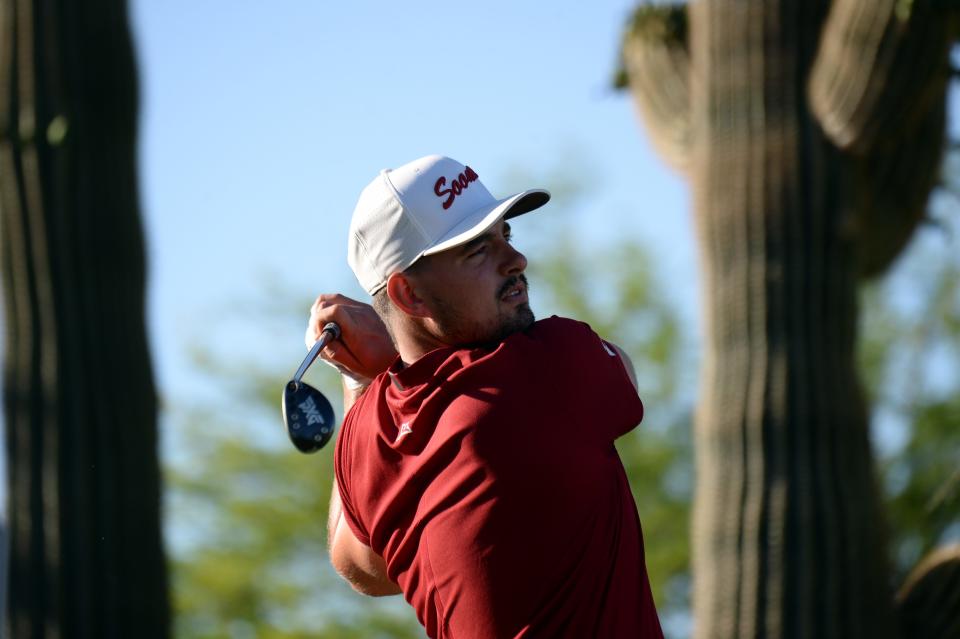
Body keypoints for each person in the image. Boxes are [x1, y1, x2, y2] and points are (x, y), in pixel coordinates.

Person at [305, 155, 664, 638]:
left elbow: (362, 566)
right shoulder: (548, 365)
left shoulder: (367, 434)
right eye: (476, 250)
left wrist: (360, 381)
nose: (515, 261)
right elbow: (626, 373)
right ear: (409, 295)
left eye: (506, 237)